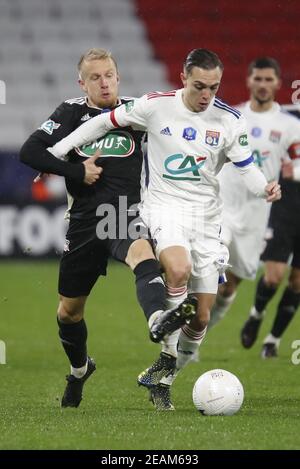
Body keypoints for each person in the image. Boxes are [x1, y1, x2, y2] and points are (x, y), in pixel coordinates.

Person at [48, 48, 281, 411]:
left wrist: (264, 186)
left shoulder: (230, 120)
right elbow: (103, 121)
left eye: (214, 87)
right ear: (185, 78)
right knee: (177, 267)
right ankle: (161, 328)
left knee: (201, 317)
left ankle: (165, 374)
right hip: (164, 208)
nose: (207, 95)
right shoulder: (155, 106)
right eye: (200, 86)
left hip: (208, 219)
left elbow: (247, 169)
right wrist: (59, 151)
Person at [20, 48, 196, 409]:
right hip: (84, 221)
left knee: (142, 255)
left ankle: (158, 319)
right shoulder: (71, 112)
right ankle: (80, 369)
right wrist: (77, 171)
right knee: (69, 312)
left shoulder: (136, 111)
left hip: (123, 212)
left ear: (119, 77)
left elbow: (178, 132)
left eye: (109, 75)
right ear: (81, 83)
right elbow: (30, 151)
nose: (104, 83)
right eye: (95, 77)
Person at [209, 58, 300, 341]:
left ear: (278, 83)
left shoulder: (289, 126)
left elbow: (298, 162)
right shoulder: (231, 117)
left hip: (257, 214)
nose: (262, 85)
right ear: (248, 81)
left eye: (268, 80)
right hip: (222, 205)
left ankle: (195, 338)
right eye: (257, 79)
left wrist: (293, 171)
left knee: (228, 288)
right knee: (211, 266)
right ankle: (180, 329)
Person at [241, 160, 300, 358]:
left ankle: (272, 341)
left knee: (298, 282)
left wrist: (296, 173)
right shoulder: (291, 129)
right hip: (285, 209)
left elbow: (293, 171)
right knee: (274, 277)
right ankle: (256, 314)